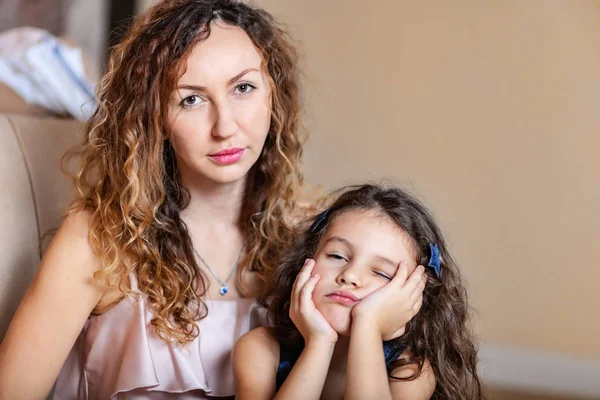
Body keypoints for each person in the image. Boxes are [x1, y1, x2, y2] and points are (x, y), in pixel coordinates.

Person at [0, 0, 306, 398]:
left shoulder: (307, 237)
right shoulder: (99, 239)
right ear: (155, 116)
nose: (225, 126)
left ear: (273, 97)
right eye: (191, 99)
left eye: (243, 88)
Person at [233, 184, 483, 400]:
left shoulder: (408, 371)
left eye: (382, 273)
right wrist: (319, 343)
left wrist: (368, 325)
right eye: (337, 256)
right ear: (305, 260)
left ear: (413, 296)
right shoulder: (261, 349)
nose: (350, 276)